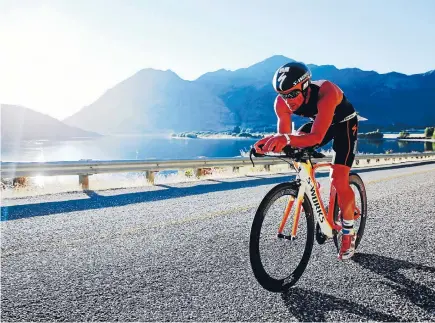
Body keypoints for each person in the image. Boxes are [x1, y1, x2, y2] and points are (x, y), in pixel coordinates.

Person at [254, 61, 358, 260]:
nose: (288, 100)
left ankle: (348, 232)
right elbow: (284, 138)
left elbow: (318, 137)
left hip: (344, 125)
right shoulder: (281, 103)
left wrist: (285, 139)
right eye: (284, 95)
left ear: (305, 86)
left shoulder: (326, 92)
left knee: (338, 178)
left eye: (292, 94)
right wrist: (268, 143)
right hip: (321, 123)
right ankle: (310, 183)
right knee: (295, 148)